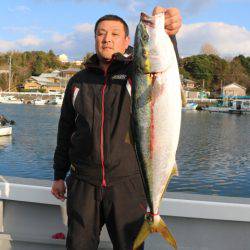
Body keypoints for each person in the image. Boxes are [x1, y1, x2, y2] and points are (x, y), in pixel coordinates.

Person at [51, 6, 182, 250]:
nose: (107, 39)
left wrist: (169, 35)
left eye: (113, 33)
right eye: (101, 33)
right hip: (82, 183)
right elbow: (65, 130)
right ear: (94, 39)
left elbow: (163, 68)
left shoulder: (137, 72)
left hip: (128, 185)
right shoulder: (77, 81)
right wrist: (59, 175)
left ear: (126, 40)